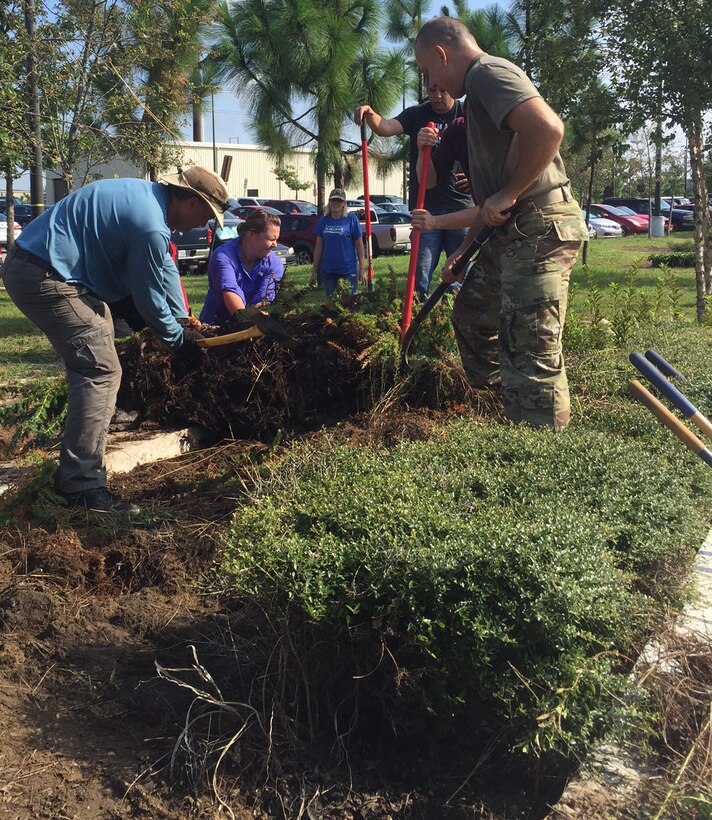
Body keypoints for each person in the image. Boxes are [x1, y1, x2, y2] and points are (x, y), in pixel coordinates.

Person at [0, 166, 230, 515]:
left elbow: (164, 271)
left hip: (44, 267)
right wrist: (177, 340)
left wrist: (185, 319)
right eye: (206, 215)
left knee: (101, 340)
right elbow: (148, 295)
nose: (203, 225)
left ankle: (85, 454)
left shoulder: (146, 199)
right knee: (100, 370)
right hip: (44, 275)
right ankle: (82, 487)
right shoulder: (150, 224)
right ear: (191, 200)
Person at [414, 17, 589, 431]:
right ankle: (503, 416)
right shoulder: (475, 98)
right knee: (473, 315)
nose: (429, 82)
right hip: (509, 229)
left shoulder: (488, 74)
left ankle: (543, 451)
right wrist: (461, 251)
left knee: (530, 346)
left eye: (428, 71)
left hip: (540, 226)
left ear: (441, 54)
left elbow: (548, 130)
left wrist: (509, 193)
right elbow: (490, 203)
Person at [354, 83, 473, 300]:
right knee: (421, 270)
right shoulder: (417, 114)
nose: (437, 96)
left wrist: (475, 174)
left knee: (461, 269)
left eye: (443, 90)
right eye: (432, 90)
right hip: (426, 207)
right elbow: (386, 127)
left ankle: (458, 314)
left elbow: (487, 145)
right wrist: (370, 114)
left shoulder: (465, 113)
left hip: (462, 207)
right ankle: (418, 312)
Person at [199, 210, 285, 326]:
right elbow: (230, 292)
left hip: (254, 327)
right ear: (251, 234)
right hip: (215, 327)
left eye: (276, 240)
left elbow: (264, 299)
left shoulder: (274, 264)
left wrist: (255, 325)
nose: (275, 245)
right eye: (271, 239)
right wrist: (245, 323)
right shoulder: (223, 256)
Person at [310, 189, 366, 298]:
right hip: (328, 270)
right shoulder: (323, 221)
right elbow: (318, 248)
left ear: (344, 204)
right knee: (331, 305)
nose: (336, 204)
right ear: (329, 203)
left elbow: (359, 245)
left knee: (349, 303)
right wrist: (314, 271)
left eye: (339, 201)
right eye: (333, 201)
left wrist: (362, 269)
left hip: (348, 270)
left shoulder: (351, 220)